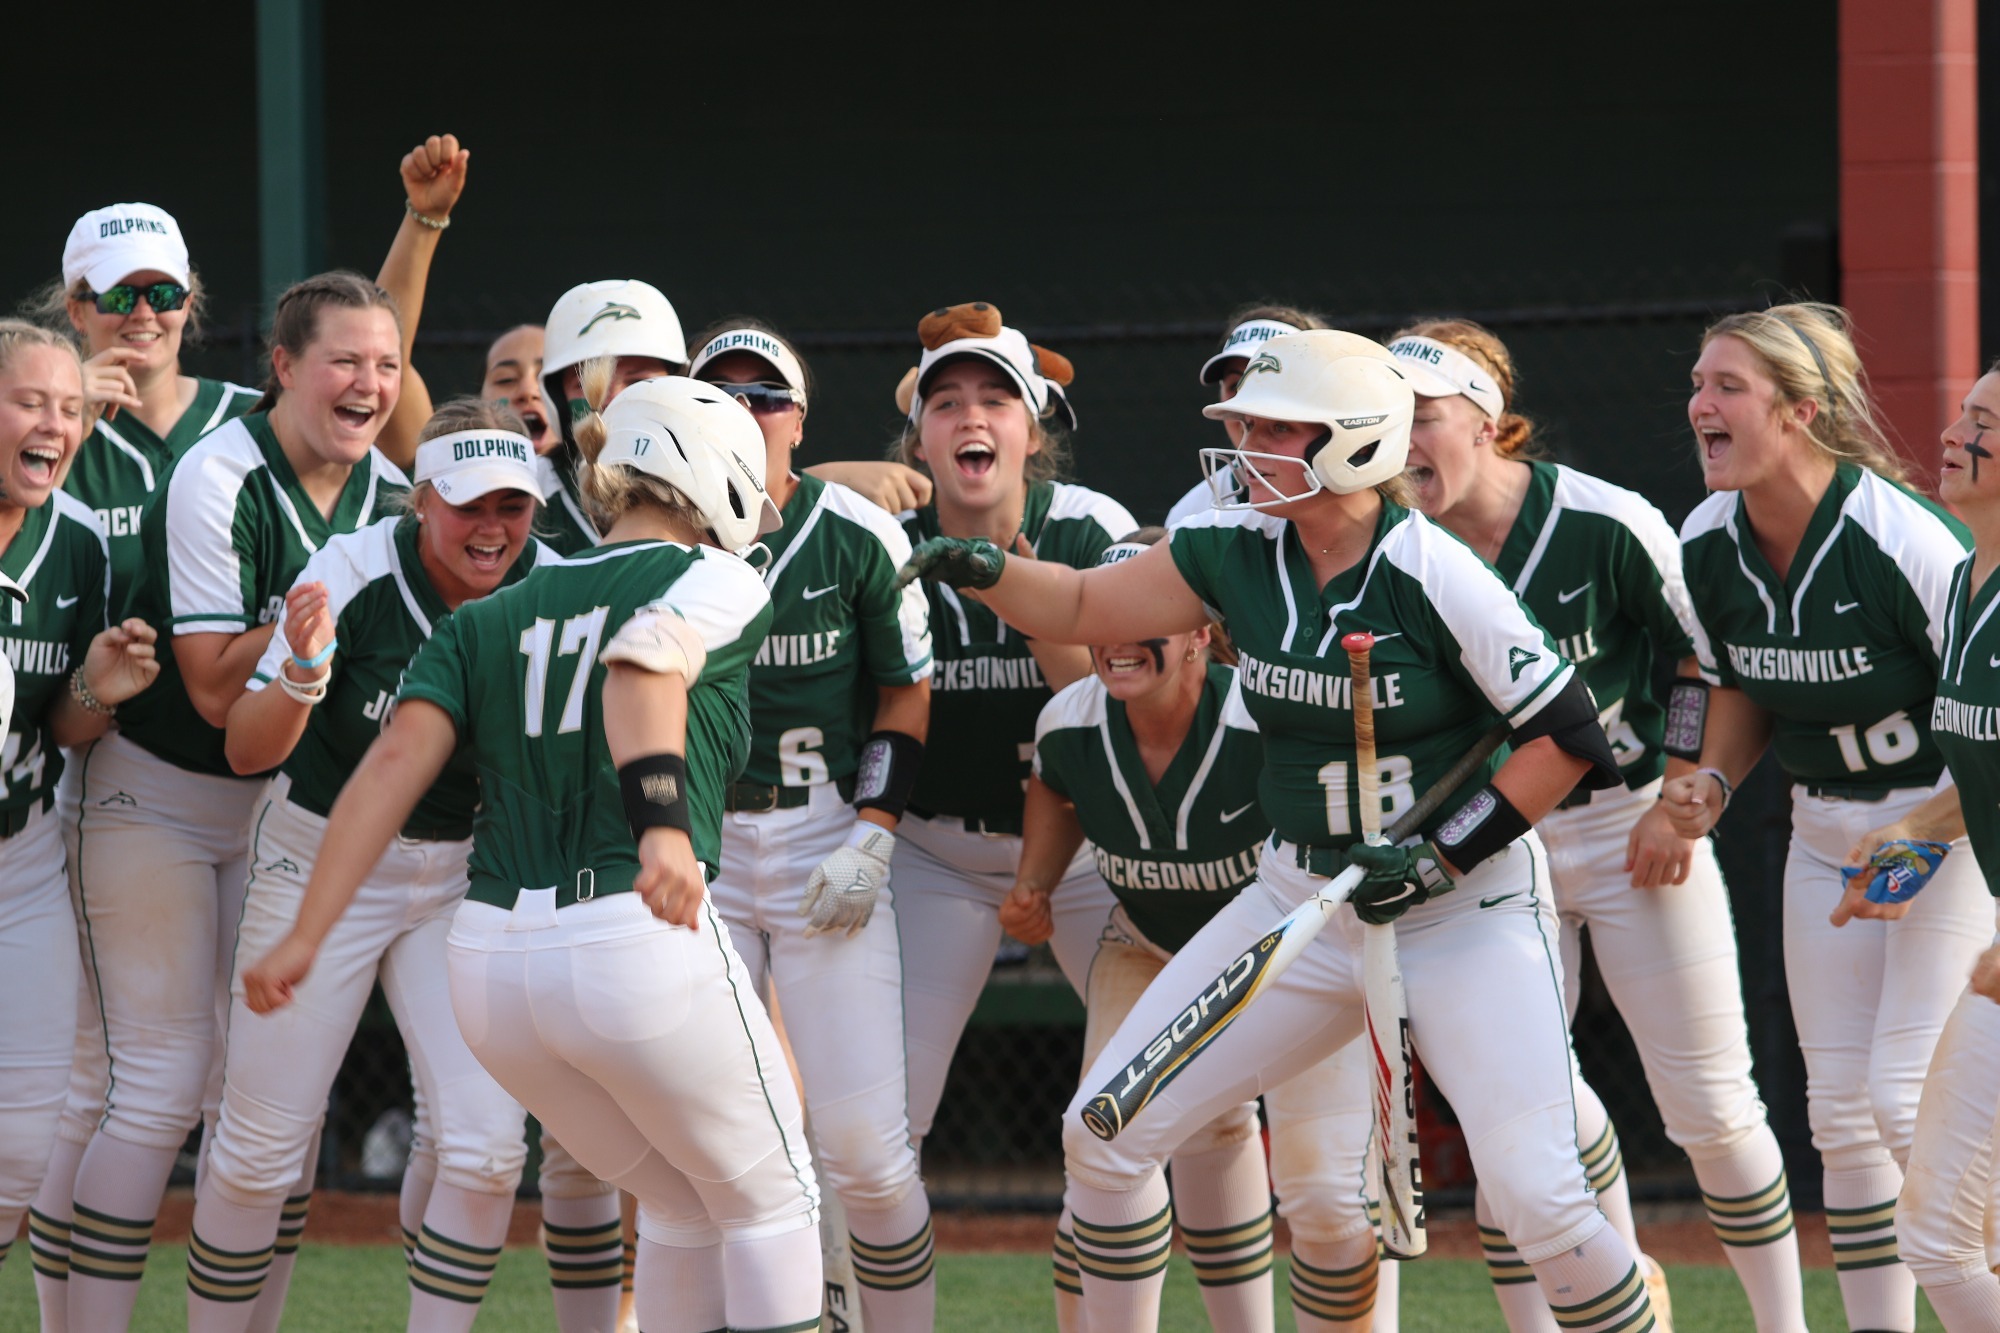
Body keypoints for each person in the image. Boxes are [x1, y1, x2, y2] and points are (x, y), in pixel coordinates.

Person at [905, 328, 1658, 1331]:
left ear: (1346, 439)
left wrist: (1439, 855)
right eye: (1242, 424)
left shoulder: (1429, 569)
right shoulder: (1236, 547)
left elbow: (1567, 737)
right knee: (1103, 1127)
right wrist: (985, 571)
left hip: (1460, 910)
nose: (1243, 444)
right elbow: (1086, 601)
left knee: (1533, 1196)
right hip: (1300, 899)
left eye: (1269, 426)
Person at [241, 370, 826, 1332]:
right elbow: (642, 665)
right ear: (712, 470)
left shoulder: (488, 611)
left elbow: (388, 768)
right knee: (777, 1194)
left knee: (683, 1200)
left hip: (491, 967)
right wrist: (665, 831)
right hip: (633, 935)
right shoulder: (715, 575)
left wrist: (309, 931)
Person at [1390, 319, 1802, 1331]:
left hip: (1626, 826)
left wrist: (1676, 790)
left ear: (1486, 423)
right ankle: (1607, 1295)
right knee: (1511, 1127)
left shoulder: (1600, 520)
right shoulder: (1387, 544)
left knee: (1711, 1108)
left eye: (1420, 416)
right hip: (1488, 845)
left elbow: (1698, 661)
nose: (1397, 438)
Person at [57, 271, 409, 1333]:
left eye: (387, 364)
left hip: (281, 814)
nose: (369, 383)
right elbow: (213, 691)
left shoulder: (387, 490)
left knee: (270, 1111)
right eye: (344, 360)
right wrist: (331, 589)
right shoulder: (218, 474)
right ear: (284, 368)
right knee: (157, 1086)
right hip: (156, 795)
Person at [1662, 302, 1992, 1333]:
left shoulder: (1903, 534)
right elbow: (1715, 680)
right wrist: (1701, 780)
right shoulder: (1707, 535)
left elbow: (1982, 723)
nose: (1698, 404)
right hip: (1820, 825)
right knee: (1837, 1115)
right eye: (1697, 383)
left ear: (1801, 412)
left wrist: (1923, 835)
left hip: (1942, 822)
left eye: (1728, 387)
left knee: (1901, 1095)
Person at [182, 400, 546, 1333]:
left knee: (486, 1148)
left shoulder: (551, 581)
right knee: (262, 1151)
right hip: (316, 855)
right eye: (470, 505)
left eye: (513, 504)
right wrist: (302, 670)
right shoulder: (353, 568)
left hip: (463, 873)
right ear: (421, 499)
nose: (494, 528)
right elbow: (245, 750)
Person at [1006, 528, 1402, 1332]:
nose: (1117, 636)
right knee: (1100, 1151)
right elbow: (1054, 786)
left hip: (1304, 957)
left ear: (1199, 634)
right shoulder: (1068, 723)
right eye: (1104, 615)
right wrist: (1033, 880)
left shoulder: (1266, 720)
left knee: (1326, 1196)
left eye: (1143, 612)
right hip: (1149, 949)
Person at [687, 319, 940, 1324]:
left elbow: (905, 691)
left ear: (799, 416)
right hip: (696, 856)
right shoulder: (666, 537)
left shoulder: (856, 533)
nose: (746, 414)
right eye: (724, 395)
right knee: (717, 1145)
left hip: (820, 838)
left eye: (766, 396)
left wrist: (873, 827)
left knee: (870, 1157)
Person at [888, 301, 1134, 1155]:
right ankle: (839, 1294)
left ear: (1034, 432)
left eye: (996, 401)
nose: (971, 417)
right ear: (919, 439)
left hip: (1086, 850)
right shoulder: (885, 540)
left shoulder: (1088, 527)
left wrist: (1021, 592)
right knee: (885, 1119)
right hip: (934, 852)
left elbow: (1119, 712)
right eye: (945, 402)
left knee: (1162, 1097)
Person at [1837, 361, 2000, 1330]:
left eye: (1982, 419)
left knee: (1941, 1230)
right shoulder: (1967, 576)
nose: (1952, 429)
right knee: (1945, 1229)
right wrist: (1911, 833)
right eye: (1961, 408)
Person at [0, 321, 158, 1271]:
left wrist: (98, 686)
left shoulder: (82, 545)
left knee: (21, 1139)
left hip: (20, 858)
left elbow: (63, 725)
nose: (54, 424)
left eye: (71, 407)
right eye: (29, 401)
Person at [535, 279, 687, 557]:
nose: (613, 399)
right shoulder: (531, 493)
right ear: (558, 401)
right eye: (586, 383)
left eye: (637, 381)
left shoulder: (707, 487)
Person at [1164, 305, 1325, 526]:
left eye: (1268, 383)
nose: (1247, 406)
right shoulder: (1191, 512)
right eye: (1235, 385)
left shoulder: (1358, 502)